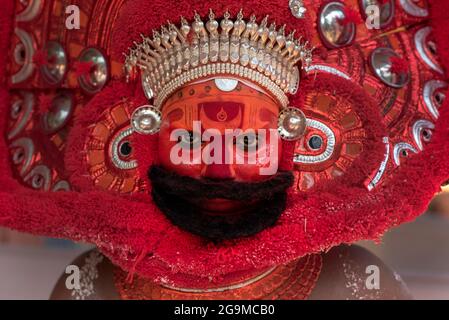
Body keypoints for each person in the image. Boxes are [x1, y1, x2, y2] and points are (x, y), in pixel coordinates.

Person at [0, 0, 448, 300]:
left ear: (298, 142)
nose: (220, 167)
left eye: (250, 141)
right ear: (141, 139)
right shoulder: (89, 288)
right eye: (190, 139)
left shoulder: (354, 287)